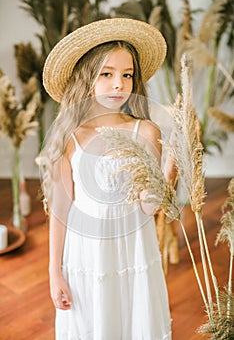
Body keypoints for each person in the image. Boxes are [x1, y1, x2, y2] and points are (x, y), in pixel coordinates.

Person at [40, 17, 172, 339]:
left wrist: (172, 164)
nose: (119, 84)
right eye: (107, 74)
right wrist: (54, 271)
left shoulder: (145, 132)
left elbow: (148, 207)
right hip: (86, 256)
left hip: (133, 251)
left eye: (127, 75)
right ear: (87, 80)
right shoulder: (70, 137)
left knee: (133, 321)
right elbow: (61, 208)